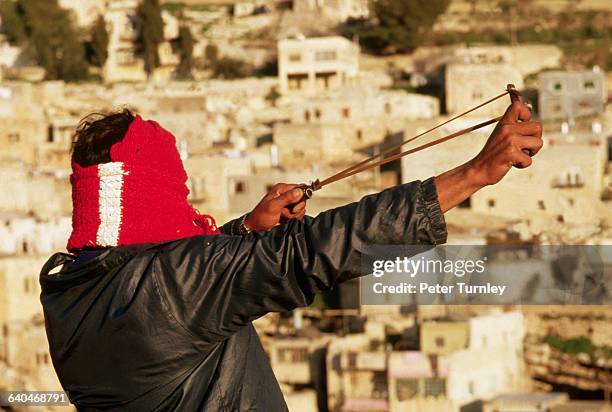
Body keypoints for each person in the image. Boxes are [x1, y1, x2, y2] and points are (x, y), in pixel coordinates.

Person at [40, 100, 542, 411]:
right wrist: (474, 174)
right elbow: (315, 249)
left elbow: (174, 292)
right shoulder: (170, 286)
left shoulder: (69, 291)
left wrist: (245, 231)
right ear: (151, 195)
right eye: (178, 191)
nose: (187, 205)